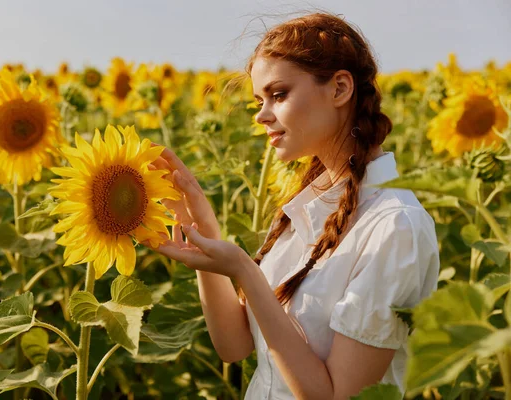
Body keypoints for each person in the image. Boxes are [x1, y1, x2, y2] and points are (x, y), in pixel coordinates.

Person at [141, 12, 440, 400]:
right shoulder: (306, 206)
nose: (261, 115)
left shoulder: (395, 226)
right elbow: (235, 347)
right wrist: (204, 229)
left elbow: (336, 396)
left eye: (278, 94)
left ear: (339, 89)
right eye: (258, 100)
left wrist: (246, 271)